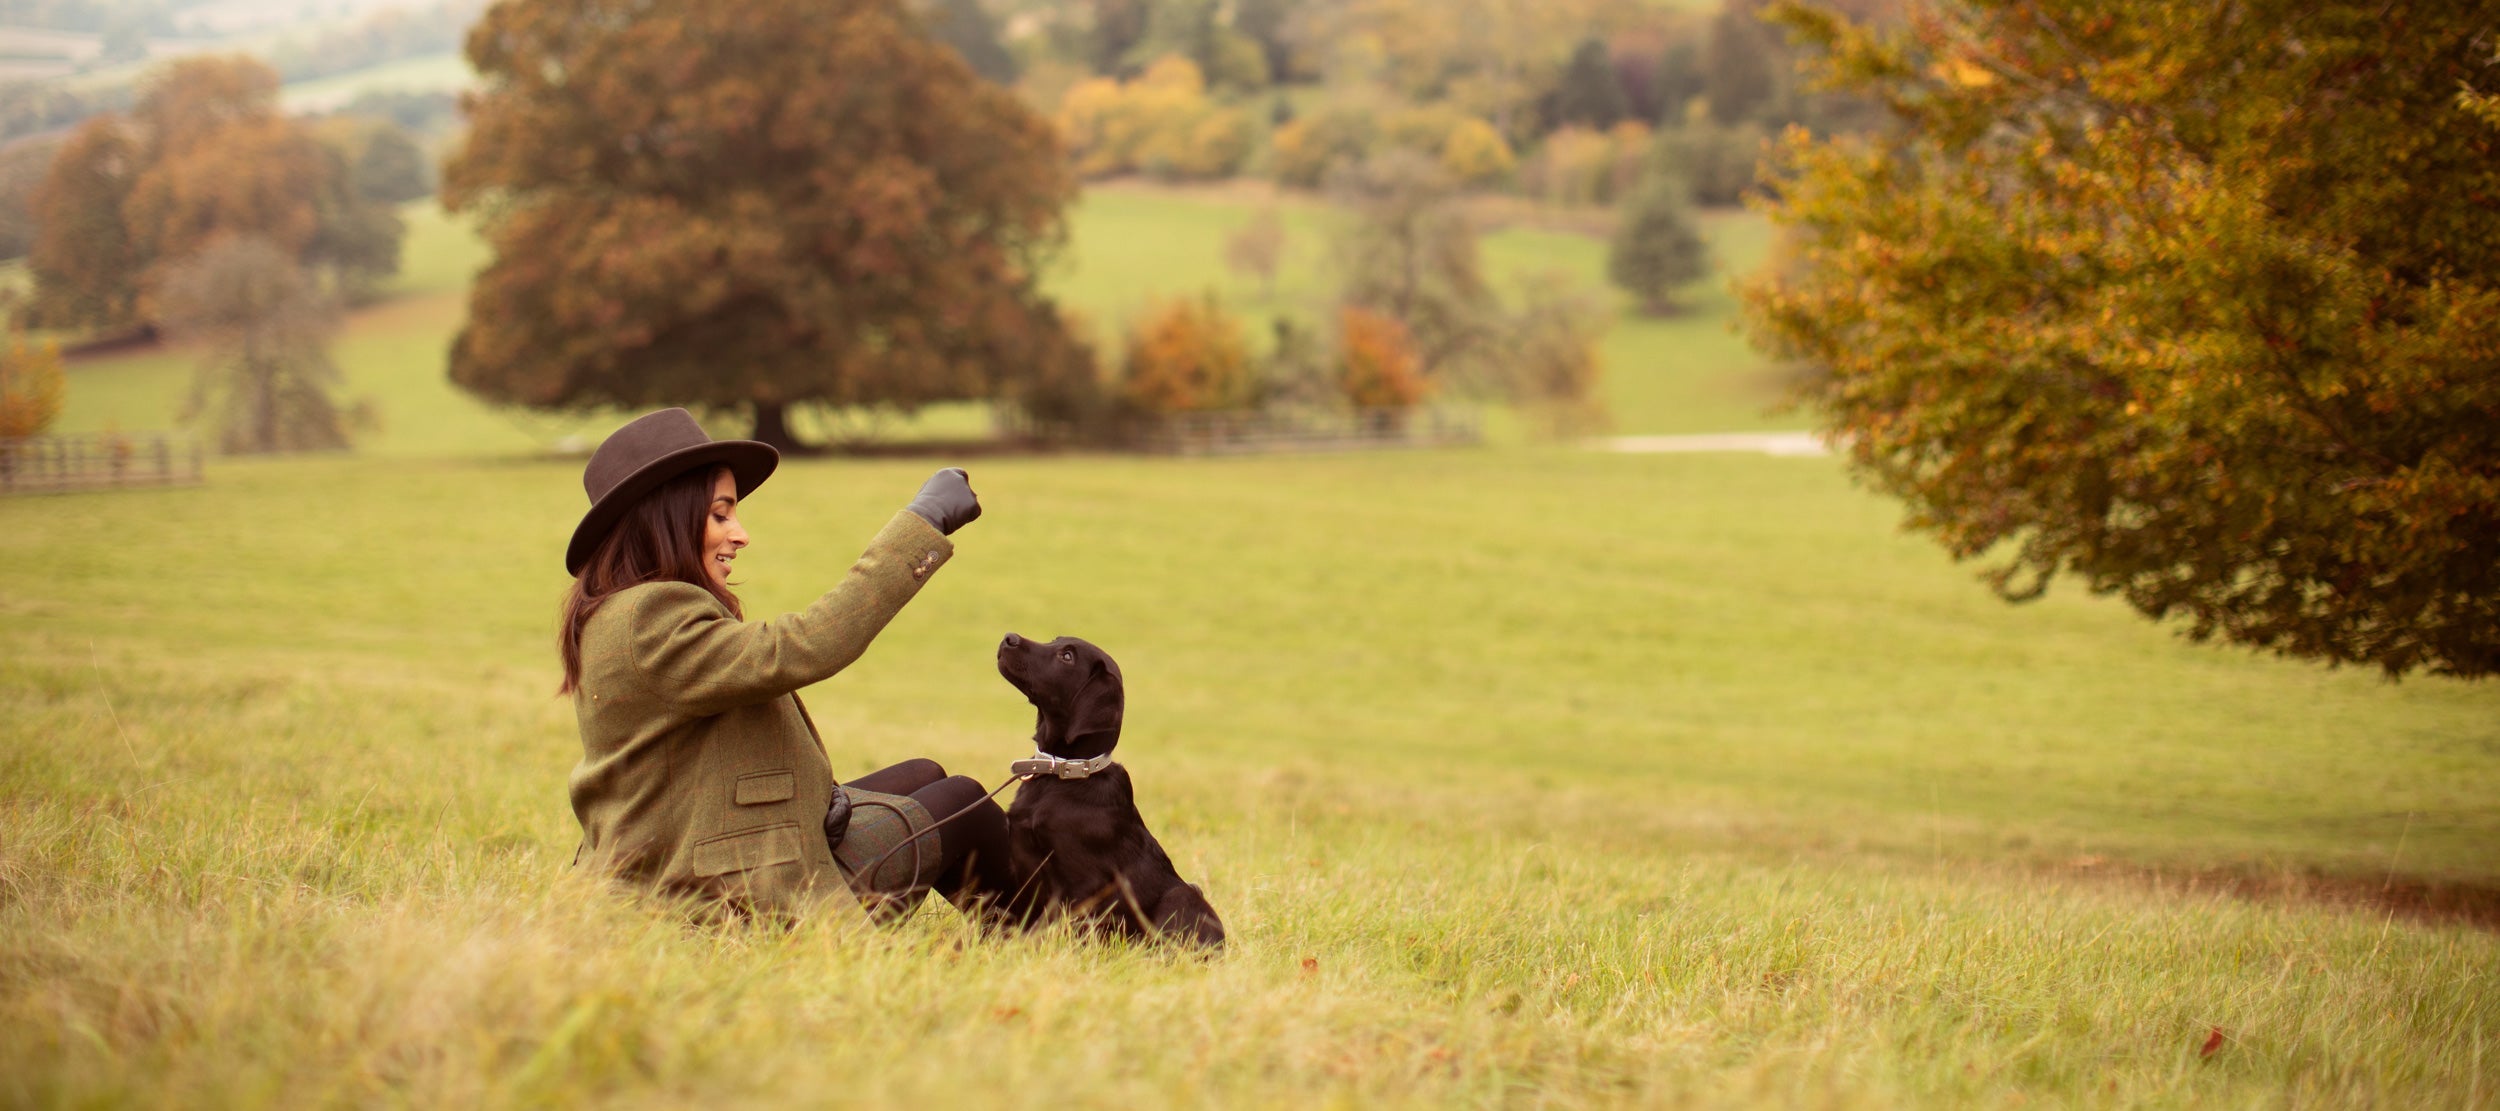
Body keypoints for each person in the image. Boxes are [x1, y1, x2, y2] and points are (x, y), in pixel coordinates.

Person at [557, 407, 1011, 925]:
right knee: (964, 802)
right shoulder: (649, 616)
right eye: (720, 514)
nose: (741, 534)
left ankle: (1004, 934)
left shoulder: (618, 612)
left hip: (697, 854)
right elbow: (802, 647)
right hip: (726, 894)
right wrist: (922, 523)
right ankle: (1052, 938)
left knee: (925, 774)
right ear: (665, 518)